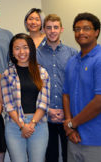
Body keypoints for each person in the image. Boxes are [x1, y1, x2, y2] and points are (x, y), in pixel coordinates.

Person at [1, 33, 50, 162]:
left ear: (31, 49)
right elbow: (8, 105)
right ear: (12, 51)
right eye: (17, 48)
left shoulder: (42, 72)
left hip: (38, 125)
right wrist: (22, 125)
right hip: (14, 126)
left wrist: (31, 124)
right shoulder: (7, 74)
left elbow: (44, 103)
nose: (21, 52)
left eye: (25, 47)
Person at [36, 14, 78, 162]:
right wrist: (48, 110)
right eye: (48, 27)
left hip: (69, 115)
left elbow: (76, 85)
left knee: (70, 156)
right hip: (45, 115)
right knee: (50, 156)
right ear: (43, 29)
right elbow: (35, 86)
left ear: (61, 29)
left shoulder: (73, 54)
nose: (52, 31)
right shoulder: (36, 55)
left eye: (55, 27)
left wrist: (67, 112)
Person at [63, 12, 101, 162]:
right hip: (74, 137)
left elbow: (99, 102)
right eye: (77, 29)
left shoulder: (99, 60)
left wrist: (72, 123)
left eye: (86, 28)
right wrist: (69, 124)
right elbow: (66, 94)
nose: (81, 33)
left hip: (96, 139)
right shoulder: (72, 61)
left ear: (96, 32)